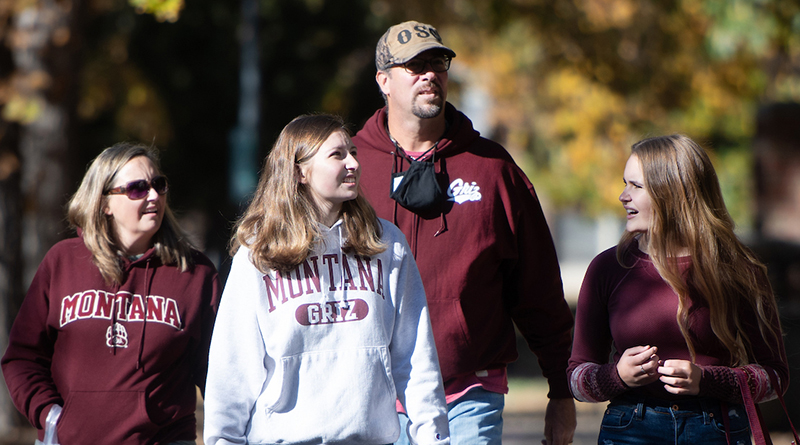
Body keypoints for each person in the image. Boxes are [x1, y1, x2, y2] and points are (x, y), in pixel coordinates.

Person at [352, 20, 576, 445]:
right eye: (414, 65)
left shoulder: (491, 169)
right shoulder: (350, 168)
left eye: (438, 62)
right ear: (383, 80)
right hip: (371, 395)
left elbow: (538, 289)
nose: (429, 74)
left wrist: (561, 390)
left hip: (469, 393)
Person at [202, 114, 450, 445]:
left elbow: (416, 359)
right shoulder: (258, 255)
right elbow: (232, 371)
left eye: (353, 152)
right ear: (299, 171)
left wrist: (434, 438)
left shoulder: (386, 245)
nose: (353, 163)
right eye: (337, 155)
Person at [568, 135, 790, 444]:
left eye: (636, 186)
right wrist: (616, 376)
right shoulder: (607, 268)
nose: (622, 196)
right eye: (624, 184)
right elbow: (577, 380)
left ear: (672, 194)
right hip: (630, 428)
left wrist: (708, 380)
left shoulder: (739, 269)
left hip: (717, 429)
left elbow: (776, 378)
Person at [1, 142, 221, 445]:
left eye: (159, 184)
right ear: (105, 202)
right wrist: (50, 417)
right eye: (137, 188)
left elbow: (217, 370)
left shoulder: (195, 273)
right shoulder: (62, 261)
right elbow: (23, 357)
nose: (154, 195)